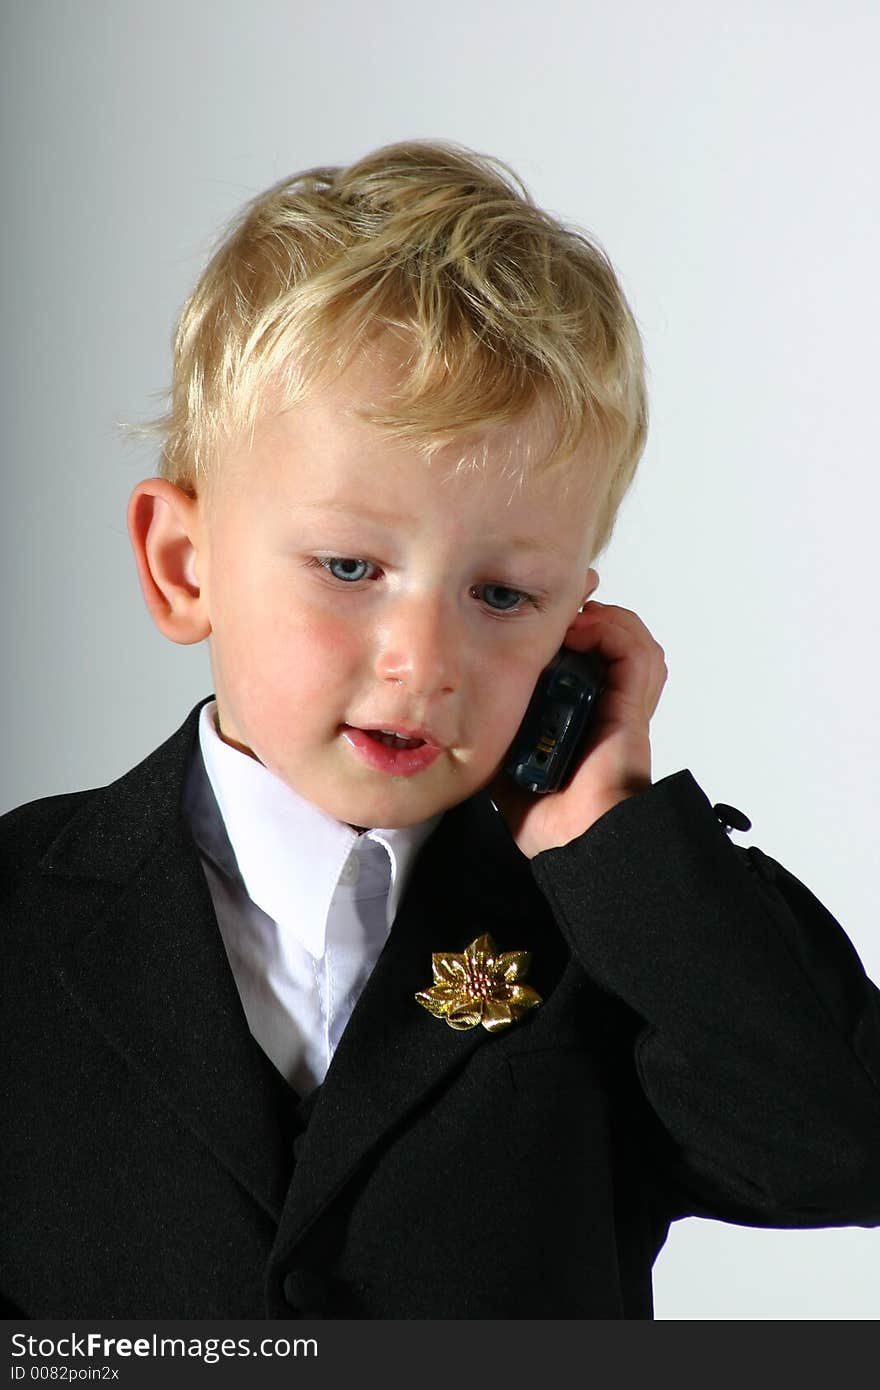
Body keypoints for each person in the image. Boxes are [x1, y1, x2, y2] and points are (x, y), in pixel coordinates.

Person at [2, 140, 878, 1321]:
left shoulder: (616, 931)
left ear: (578, 621)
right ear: (181, 564)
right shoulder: (22, 908)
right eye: (350, 565)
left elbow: (841, 1147)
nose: (425, 661)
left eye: (502, 595)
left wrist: (612, 837)